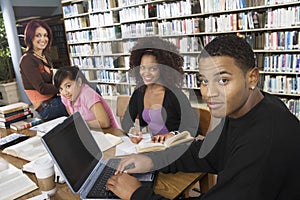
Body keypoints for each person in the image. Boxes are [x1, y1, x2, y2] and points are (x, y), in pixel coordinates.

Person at [106, 35, 300, 200]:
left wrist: (136, 194)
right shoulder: (247, 109)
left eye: (223, 80)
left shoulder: (264, 142)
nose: (208, 93)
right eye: (204, 81)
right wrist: (153, 159)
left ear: (252, 78)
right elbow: (209, 152)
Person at [121, 37, 199, 143]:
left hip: (175, 146)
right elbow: (126, 121)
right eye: (142, 68)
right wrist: (133, 130)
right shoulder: (139, 92)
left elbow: (192, 128)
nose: (146, 73)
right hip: (153, 145)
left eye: (153, 68)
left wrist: (172, 135)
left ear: (163, 69)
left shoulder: (175, 95)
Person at [20, 19, 68, 121]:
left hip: (56, 99)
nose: (43, 39)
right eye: (38, 35)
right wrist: (65, 88)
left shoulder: (45, 56)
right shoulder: (27, 60)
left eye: (45, 35)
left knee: (89, 87)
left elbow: (52, 80)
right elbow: (42, 88)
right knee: (87, 94)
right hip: (46, 107)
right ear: (30, 37)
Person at [54, 66, 119, 129]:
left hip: (111, 133)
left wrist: (82, 123)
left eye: (68, 86)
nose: (65, 92)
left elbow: (105, 123)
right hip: (91, 131)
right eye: (61, 88)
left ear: (79, 82)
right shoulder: (66, 96)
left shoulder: (87, 94)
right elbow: (72, 115)